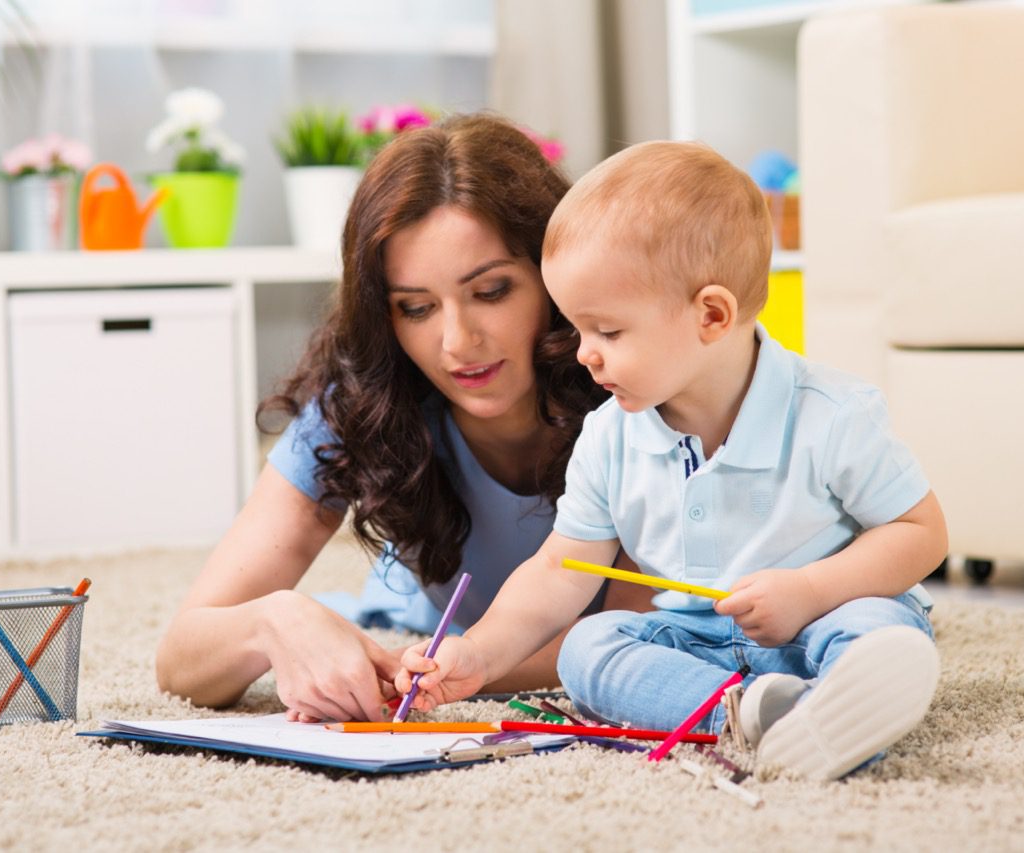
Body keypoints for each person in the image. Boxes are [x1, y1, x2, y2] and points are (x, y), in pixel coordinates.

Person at [395, 140, 947, 781]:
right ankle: (747, 715)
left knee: (879, 626)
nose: (583, 355)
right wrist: (479, 655)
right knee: (589, 646)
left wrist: (810, 591)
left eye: (608, 332)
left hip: (828, 615)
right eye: (578, 331)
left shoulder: (833, 414)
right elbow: (559, 569)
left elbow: (920, 533)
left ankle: (850, 699)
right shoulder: (609, 435)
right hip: (698, 644)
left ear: (712, 315)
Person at [155, 113, 652, 723]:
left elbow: (627, 634)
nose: (457, 342)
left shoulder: (637, 391)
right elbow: (181, 664)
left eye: (492, 292)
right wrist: (275, 620)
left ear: (555, 280)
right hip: (433, 643)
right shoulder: (363, 407)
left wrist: (437, 667)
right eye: (415, 308)